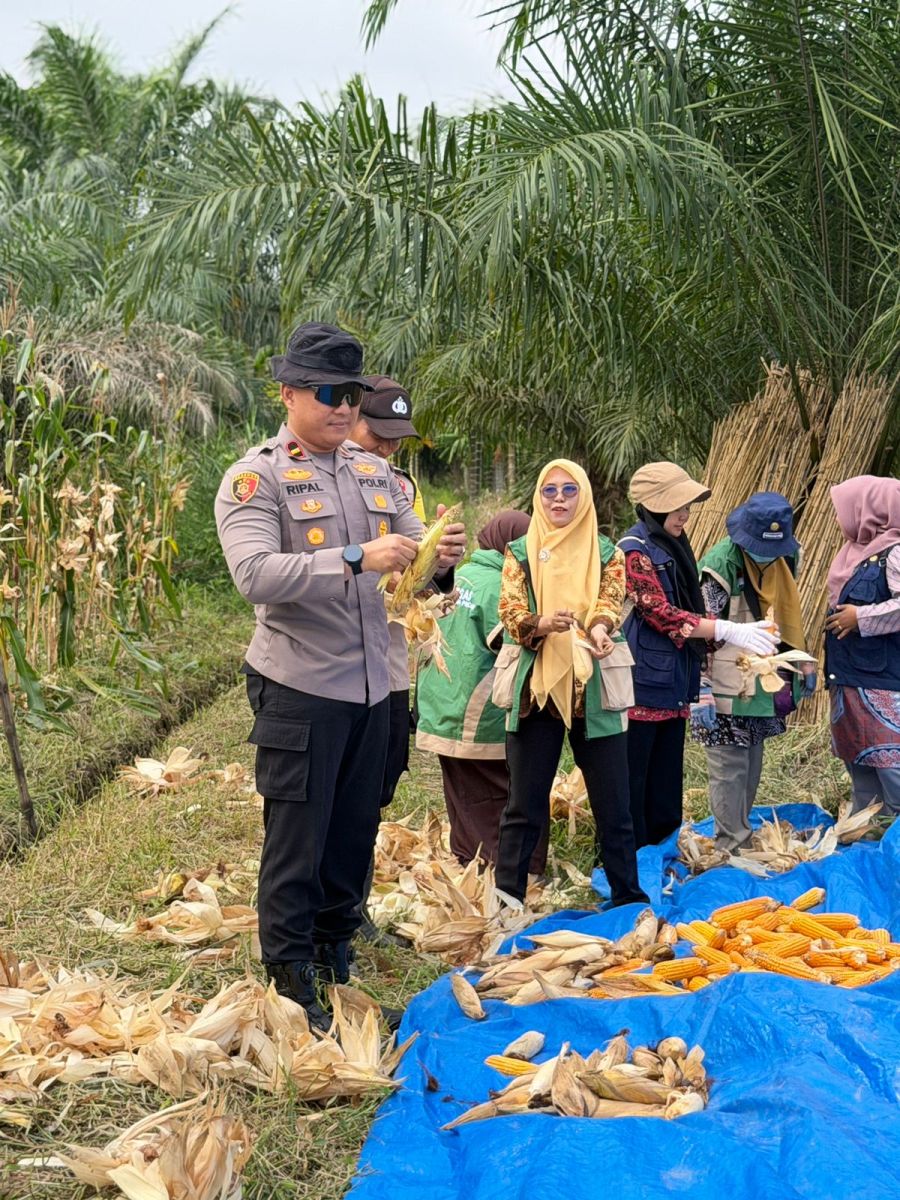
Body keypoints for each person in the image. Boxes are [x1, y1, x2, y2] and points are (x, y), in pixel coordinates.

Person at [215, 322, 465, 1030]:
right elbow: (254, 574)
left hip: (377, 683)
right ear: (289, 393)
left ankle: (334, 958)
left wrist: (437, 558)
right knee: (299, 835)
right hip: (302, 684)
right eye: (328, 393)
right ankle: (291, 978)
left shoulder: (375, 473)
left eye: (352, 394)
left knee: (356, 829)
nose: (344, 407)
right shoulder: (256, 477)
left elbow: (412, 565)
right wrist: (356, 557)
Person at [493, 459, 648, 908]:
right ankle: (506, 900)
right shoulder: (521, 551)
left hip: (591, 686)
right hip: (537, 690)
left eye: (569, 490)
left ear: (584, 496)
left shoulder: (606, 551)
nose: (559, 499)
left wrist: (599, 628)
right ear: (539, 498)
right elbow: (510, 611)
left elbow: (610, 600)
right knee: (524, 805)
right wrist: (542, 623)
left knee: (614, 803)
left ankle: (627, 898)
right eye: (550, 490)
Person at [619, 462, 779, 848]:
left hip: (674, 681)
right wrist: (724, 629)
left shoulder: (674, 545)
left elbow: (688, 604)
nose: (685, 515)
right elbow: (657, 611)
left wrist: (724, 645)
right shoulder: (634, 550)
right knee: (634, 784)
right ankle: (632, 864)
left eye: (687, 507)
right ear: (655, 506)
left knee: (666, 788)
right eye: (677, 507)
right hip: (643, 684)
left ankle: (664, 855)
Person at [415, 510, 550, 870]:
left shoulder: (461, 575)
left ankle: (468, 861)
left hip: (441, 704)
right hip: (479, 712)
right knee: (503, 794)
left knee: (463, 794)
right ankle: (510, 869)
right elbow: (513, 642)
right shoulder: (504, 587)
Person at [692, 492, 815, 852]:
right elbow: (701, 629)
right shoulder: (720, 566)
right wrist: (701, 689)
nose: (766, 554)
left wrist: (801, 659)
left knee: (752, 757)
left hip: (763, 677)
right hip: (723, 679)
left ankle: (741, 834)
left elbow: (787, 615)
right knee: (729, 762)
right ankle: (731, 844)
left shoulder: (786, 557)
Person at [349, 375, 425, 812]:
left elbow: (415, 552)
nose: (387, 448)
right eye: (378, 434)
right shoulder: (306, 478)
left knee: (387, 767)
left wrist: (435, 564)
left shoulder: (402, 486)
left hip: (389, 648)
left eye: (396, 439)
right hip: (334, 655)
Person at [824, 475, 900, 814]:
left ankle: (893, 834)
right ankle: (867, 834)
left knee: (892, 766)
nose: (840, 518)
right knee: (859, 763)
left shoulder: (894, 553)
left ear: (870, 510)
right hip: (849, 677)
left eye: (844, 509)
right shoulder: (853, 554)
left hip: (883, 684)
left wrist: (861, 617)